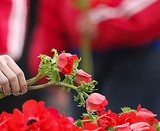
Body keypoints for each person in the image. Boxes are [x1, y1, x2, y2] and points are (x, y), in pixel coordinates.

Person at [27, 0, 160, 118]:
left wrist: (102, 22)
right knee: (82, 130)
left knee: (122, 128)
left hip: (136, 56)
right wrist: (50, 73)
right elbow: (51, 23)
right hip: (80, 62)